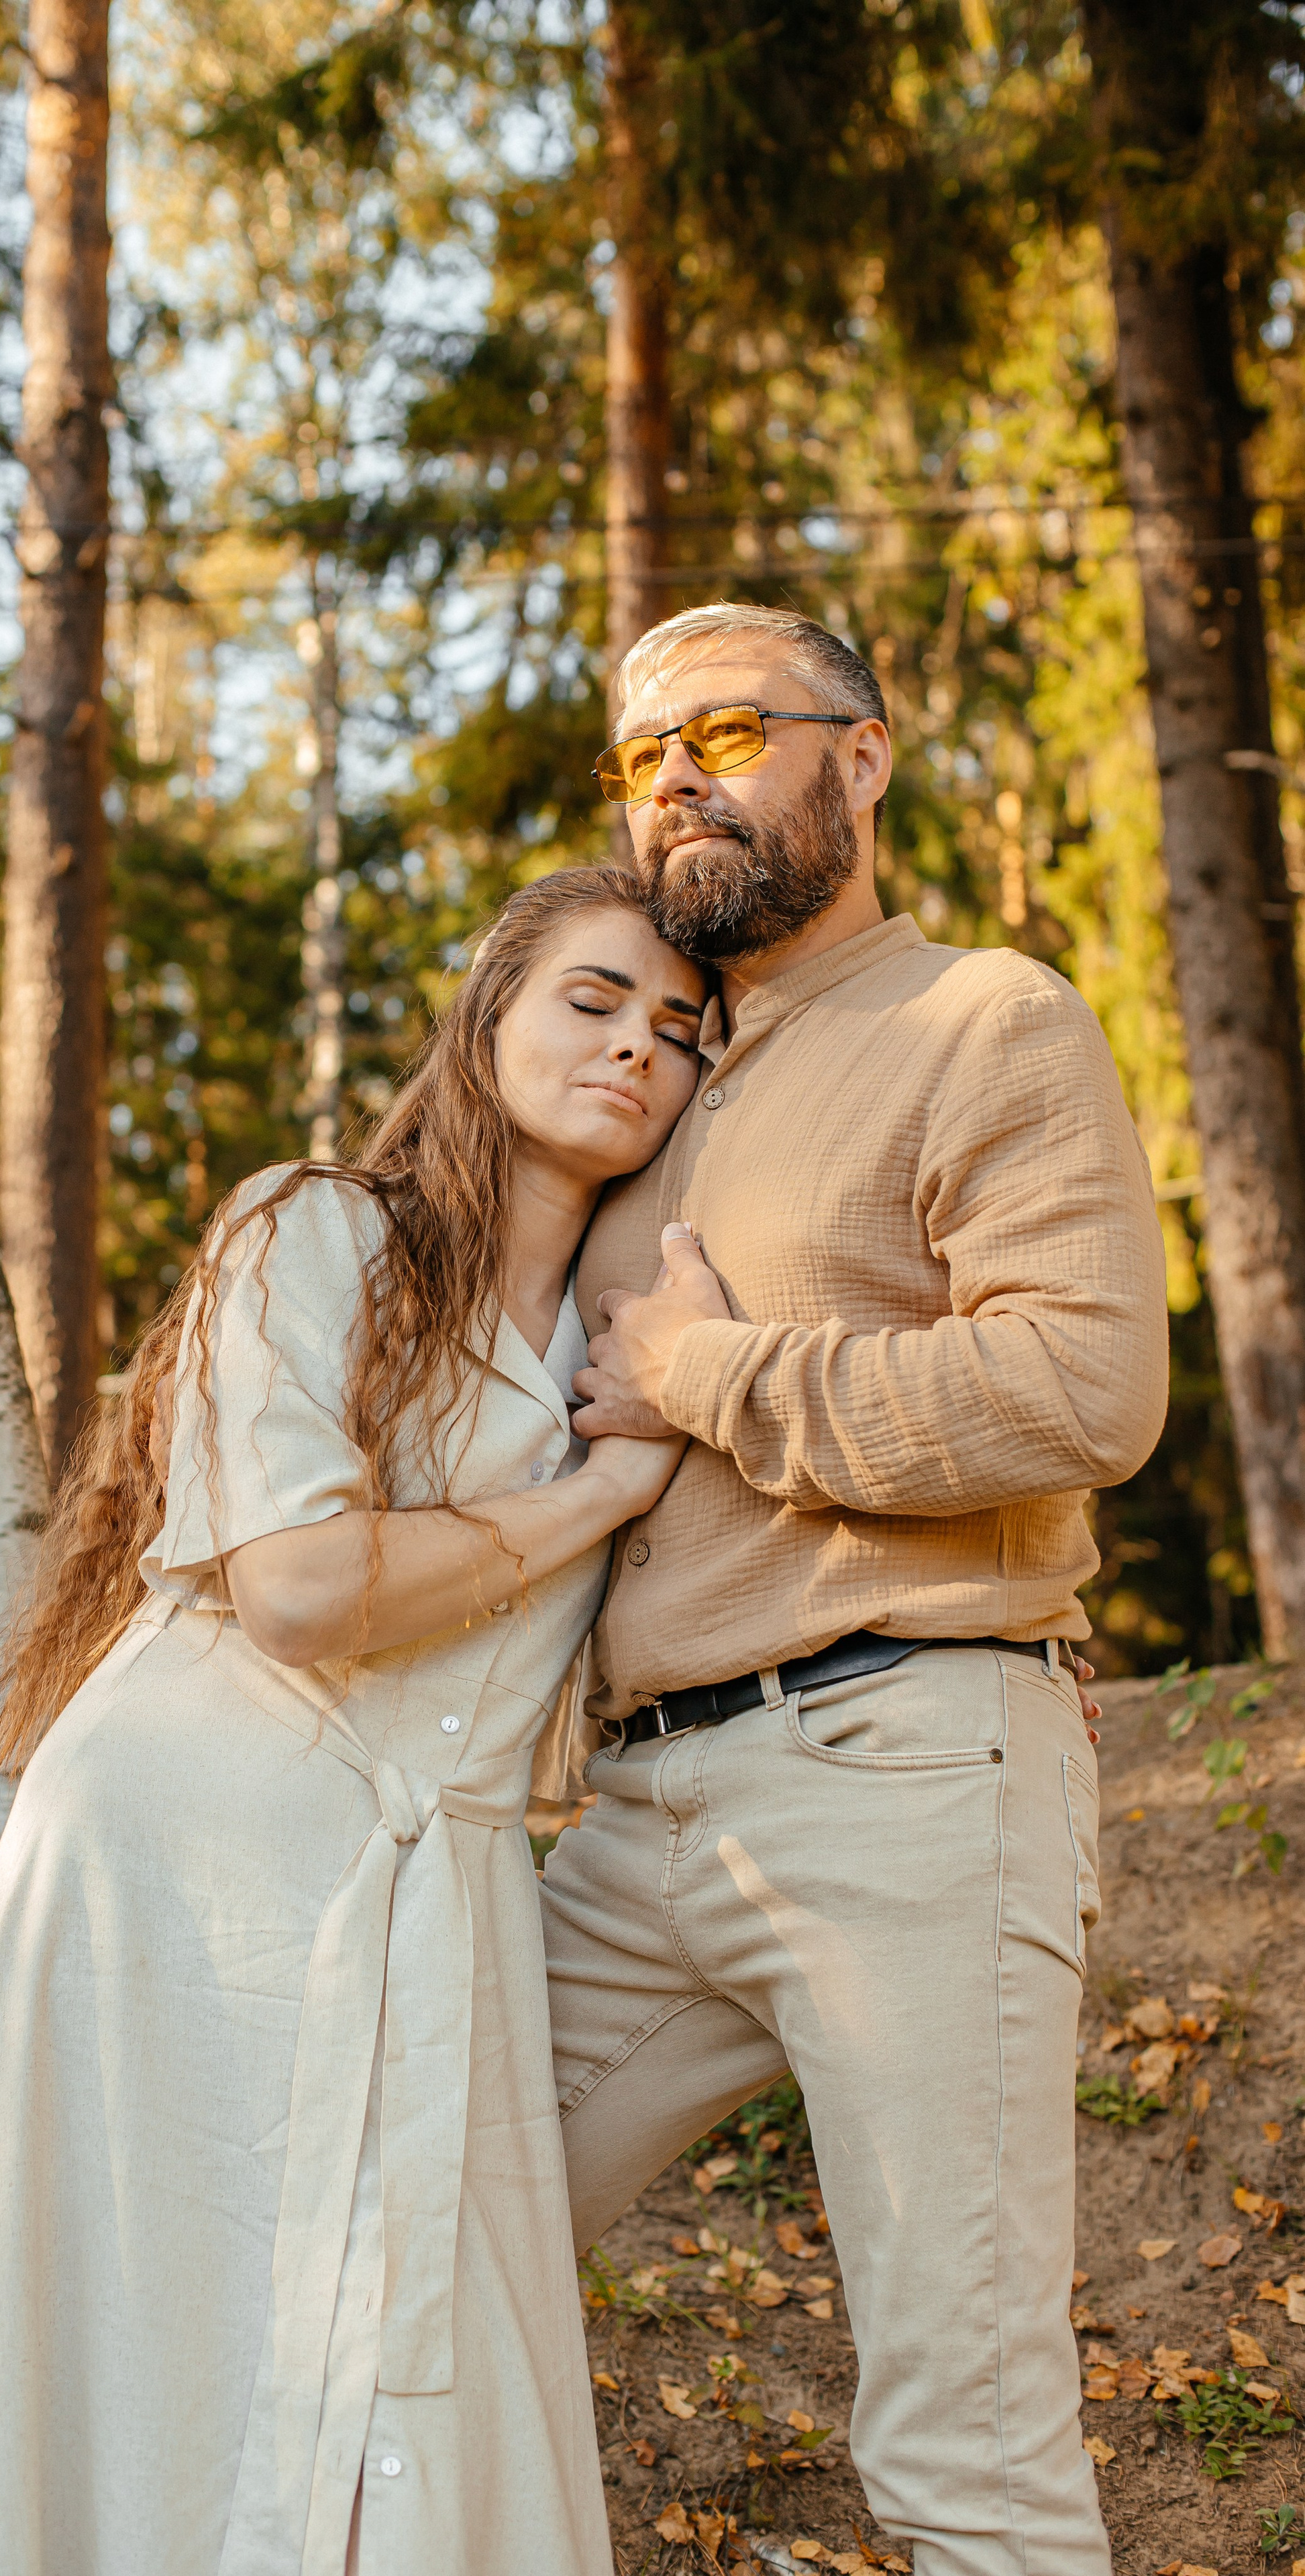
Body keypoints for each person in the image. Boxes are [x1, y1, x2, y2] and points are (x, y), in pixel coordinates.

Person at [0, 867, 710, 2576]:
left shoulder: (632, 1338)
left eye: (678, 1034)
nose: (634, 1049)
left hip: (430, 1887)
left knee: (402, 2358)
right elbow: (302, 1589)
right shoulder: (316, 1230)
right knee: (150, 2345)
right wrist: (603, 1494)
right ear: (486, 1021)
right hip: (184, 1855)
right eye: (592, 1000)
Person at [540, 601, 1170, 2576]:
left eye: (727, 727)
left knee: (961, 2446)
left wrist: (708, 1372)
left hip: (907, 1763)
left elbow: (1084, 1388)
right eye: (641, 754)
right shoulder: (642, 1084)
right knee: (404, 2234)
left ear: (866, 757)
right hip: (631, 1814)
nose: (677, 779)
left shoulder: (985, 1018)